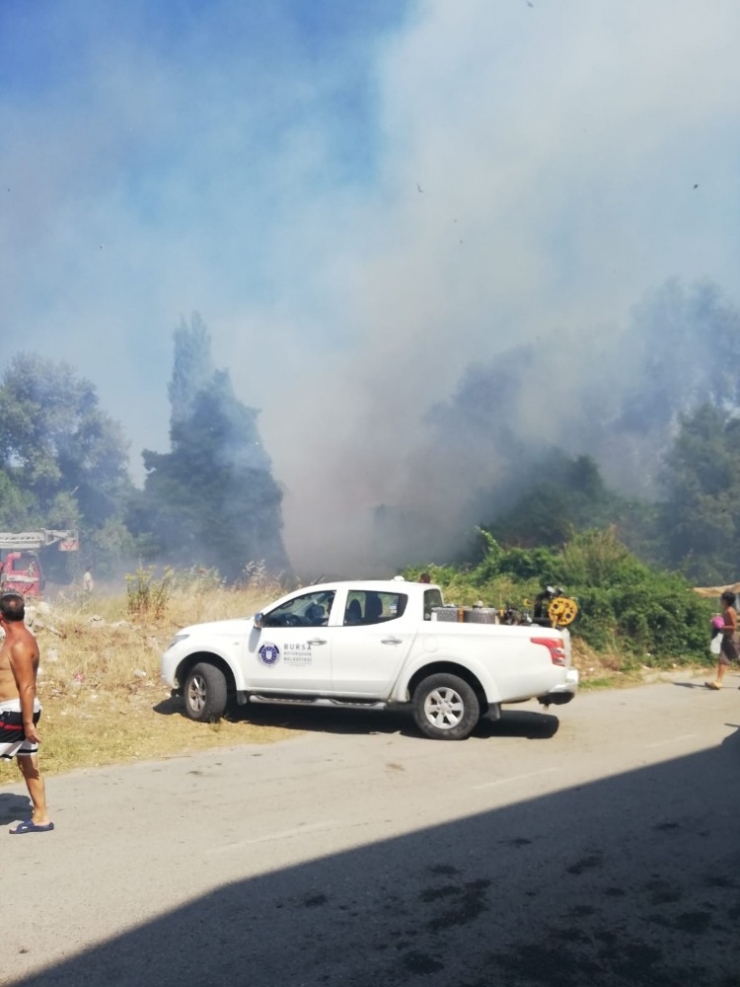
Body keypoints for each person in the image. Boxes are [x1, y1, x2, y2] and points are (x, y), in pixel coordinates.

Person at [0, 591, 53, 833]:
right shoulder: (14, 639)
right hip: (19, 710)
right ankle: (41, 817)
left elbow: (27, 685)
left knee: (27, 761)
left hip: (16, 712)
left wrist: (28, 723)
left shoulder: (20, 643)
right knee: (27, 761)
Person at [706, 589, 738, 690]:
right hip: (726, 637)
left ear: (726, 600)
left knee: (729, 658)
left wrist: (721, 627)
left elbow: (733, 626)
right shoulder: (725, 610)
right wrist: (716, 621)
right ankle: (718, 681)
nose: (721, 600)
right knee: (723, 659)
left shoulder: (730, 611)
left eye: (722, 599)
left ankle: (718, 681)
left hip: (731, 638)